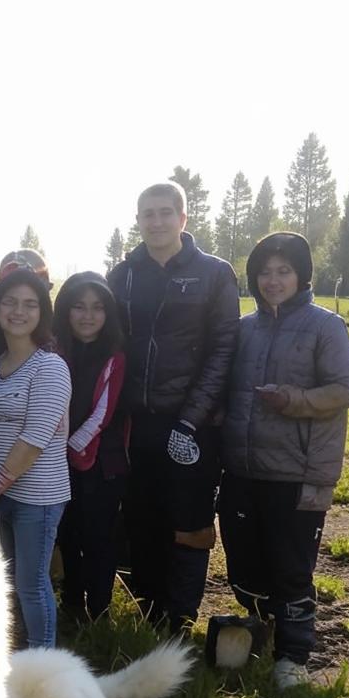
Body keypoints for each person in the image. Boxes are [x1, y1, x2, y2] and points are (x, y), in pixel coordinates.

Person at [219, 233, 349, 688]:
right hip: (241, 468)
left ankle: (293, 656)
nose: (272, 281)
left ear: (302, 276)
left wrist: (293, 399)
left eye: (283, 271)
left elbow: (342, 391)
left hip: (297, 472)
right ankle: (260, 628)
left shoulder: (326, 327)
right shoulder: (244, 328)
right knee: (243, 565)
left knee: (291, 568)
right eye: (264, 272)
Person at [107, 181, 240, 632]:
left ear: (184, 219)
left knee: (189, 521)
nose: (157, 221)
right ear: (138, 219)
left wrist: (191, 417)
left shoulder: (215, 273)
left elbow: (223, 350)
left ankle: (179, 617)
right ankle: (149, 608)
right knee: (141, 515)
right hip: (132, 421)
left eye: (166, 212)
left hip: (191, 423)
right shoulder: (122, 274)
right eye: (148, 213)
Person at [0, 269, 71, 649]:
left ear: (43, 313)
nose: (18, 311)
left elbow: (32, 443)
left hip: (37, 496)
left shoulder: (51, 368)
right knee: (4, 580)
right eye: (9, 302)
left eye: (30, 304)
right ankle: (11, 652)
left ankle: (43, 661)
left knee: (31, 583)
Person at [52, 272, 129, 622]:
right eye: (79, 307)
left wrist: (73, 444)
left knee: (98, 535)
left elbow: (104, 411)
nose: (87, 315)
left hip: (102, 463)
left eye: (97, 308)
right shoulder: (54, 351)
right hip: (55, 460)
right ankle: (71, 601)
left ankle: (99, 608)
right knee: (67, 531)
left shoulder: (115, 355)